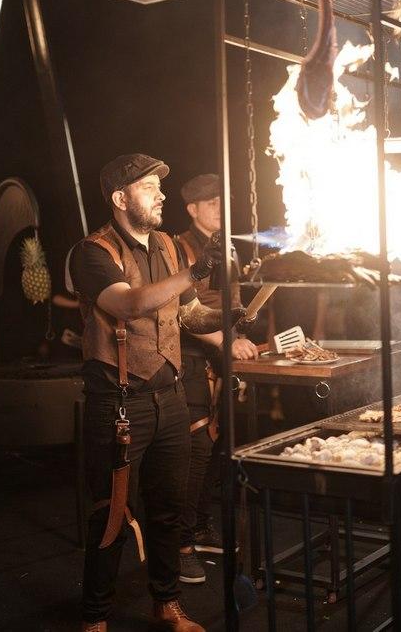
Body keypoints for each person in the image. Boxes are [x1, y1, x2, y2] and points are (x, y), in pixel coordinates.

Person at [69, 154, 245, 632]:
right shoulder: (92, 252)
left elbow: (187, 314)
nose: (162, 194)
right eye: (149, 187)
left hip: (168, 395)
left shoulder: (165, 245)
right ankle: (95, 617)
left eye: (159, 187)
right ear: (121, 199)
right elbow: (127, 304)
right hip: (119, 401)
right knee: (113, 513)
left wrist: (227, 315)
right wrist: (195, 271)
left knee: (169, 507)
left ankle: (166, 603)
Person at [175, 174, 258, 584]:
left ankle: (201, 526)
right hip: (190, 357)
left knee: (214, 447)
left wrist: (239, 335)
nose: (218, 209)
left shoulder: (227, 246)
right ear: (192, 208)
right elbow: (183, 310)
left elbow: (233, 301)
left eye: (221, 202)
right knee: (195, 452)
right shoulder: (179, 246)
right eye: (210, 203)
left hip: (222, 355)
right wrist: (227, 340)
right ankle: (181, 546)